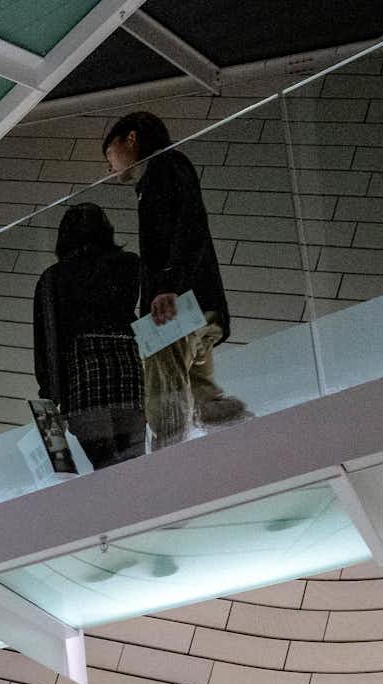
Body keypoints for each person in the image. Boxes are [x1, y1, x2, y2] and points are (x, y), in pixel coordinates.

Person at [104, 111, 247, 446]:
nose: (108, 166)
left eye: (109, 152)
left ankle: (171, 459)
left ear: (131, 138)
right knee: (202, 390)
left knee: (164, 388)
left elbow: (188, 226)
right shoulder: (162, 173)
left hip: (177, 305)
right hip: (193, 303)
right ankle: (233, 441)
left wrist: (168, 283)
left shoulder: (163, 167)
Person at [32, 202, 147, 469]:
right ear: (106, 229)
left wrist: (49, 395)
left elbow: (44, 342)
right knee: (135, 462)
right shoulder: (129, 265)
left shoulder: (52, 279)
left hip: (82, 374)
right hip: (127, 368)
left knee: (103, 464)